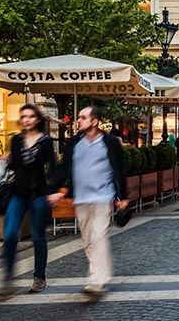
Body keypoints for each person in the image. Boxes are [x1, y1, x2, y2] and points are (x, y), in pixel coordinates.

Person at [47, 106, 128, 297]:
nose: (78, 121)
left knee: (98, 236)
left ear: (94, 121)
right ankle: (99, 273)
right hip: (81, 199)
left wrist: (122, 196)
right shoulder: (74, 143)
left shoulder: (109, 142)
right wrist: (60, 191)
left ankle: (97, 278)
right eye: (78, 118)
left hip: (103, 197)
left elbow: (121, 169)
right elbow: (67, 169)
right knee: (88, 240)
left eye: (82, 118)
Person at [0, 104, 56, 298]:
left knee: (38, 236)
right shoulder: (16, 140)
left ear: (37, 119)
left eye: (30, 116)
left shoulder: (46, 142)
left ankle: (39, 278)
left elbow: (51, 167)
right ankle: (7, 280)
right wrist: (9, 160)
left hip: (38, 194)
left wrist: (55, 191)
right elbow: (16, 166)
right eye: (24, 116)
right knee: (11, 233)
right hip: (17, 193)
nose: (27, 120)